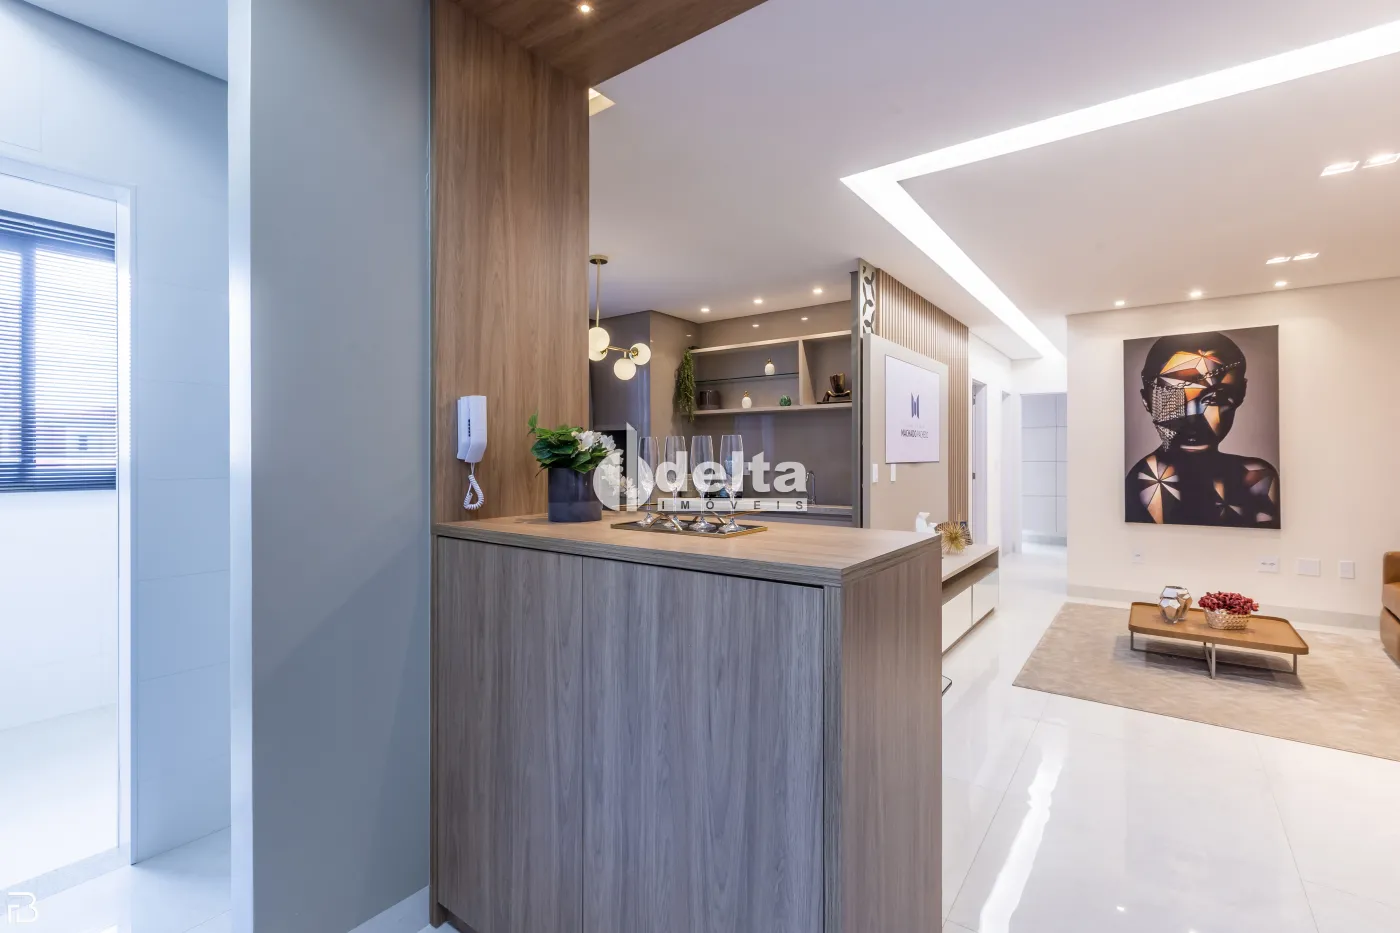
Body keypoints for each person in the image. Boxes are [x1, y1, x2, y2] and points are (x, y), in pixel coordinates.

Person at [1125, 331, 1279, 527]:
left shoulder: (1257, 477)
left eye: (1214, 399)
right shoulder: (1149, 481)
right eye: (1173, 400)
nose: (1192, 419)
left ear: (1241, 393)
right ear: (1147, 401)